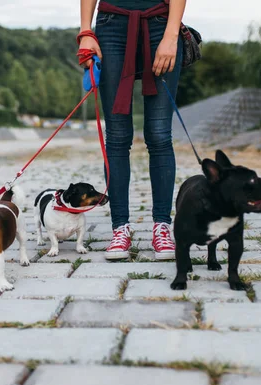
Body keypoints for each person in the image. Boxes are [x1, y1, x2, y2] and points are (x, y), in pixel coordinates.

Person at [78, 0, 186, 260]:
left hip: (161, 23)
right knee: (116, 135)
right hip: (110, 25)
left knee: (159, 134)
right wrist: (85, 32)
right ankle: (120, 228)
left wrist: (172, 35)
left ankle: (162, 226)